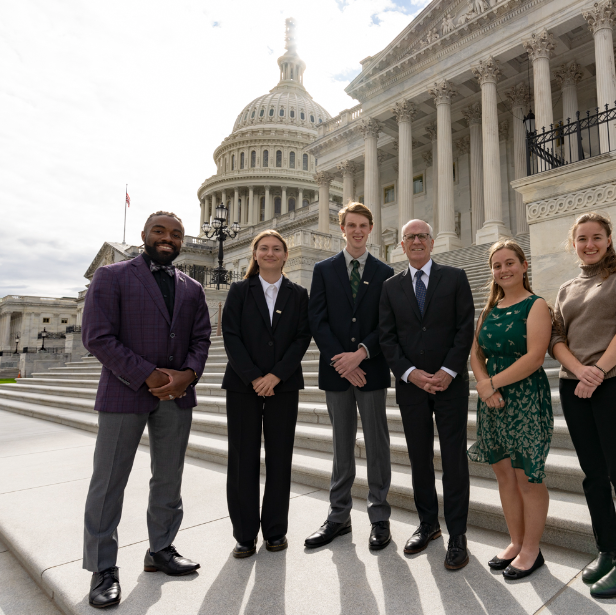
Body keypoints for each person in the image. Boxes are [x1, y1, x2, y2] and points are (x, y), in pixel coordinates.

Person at [81, 211, 211, 609]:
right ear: (144, 235)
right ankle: (103, 567)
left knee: (168, 477)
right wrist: (148, 375)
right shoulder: (113, 276)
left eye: (175, 233)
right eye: (160, 231)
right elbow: (97, 336)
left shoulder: (192, 286)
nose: (167, 238)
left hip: (176, 395)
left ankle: (162, 548)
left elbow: (202, 337)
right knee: (109, 483)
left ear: (183, 241)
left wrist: (188, 374)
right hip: (125, 393)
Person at [549, 211, 616, 599]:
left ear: (608, 239)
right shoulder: (565, 288)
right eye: (581, 239)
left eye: (596, 237)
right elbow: (556, 338)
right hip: (575, 387)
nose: (589, 244)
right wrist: (579, 370)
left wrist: (598, 371)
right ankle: (608, 549)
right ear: (573, 244)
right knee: (593, 475)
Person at [379, 219, 475, 570]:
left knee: (453, 460)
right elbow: (387, 338)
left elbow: (465, 328)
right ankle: (428, 524)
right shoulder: (390, 287)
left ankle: (458, 534)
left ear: (432, 242)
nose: (416, 241)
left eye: (422, 236)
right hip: (412, 388)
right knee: (419, 457)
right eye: (410, 237)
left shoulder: (455, 278)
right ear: (401, 246)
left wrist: (448, 371)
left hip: (450, 385)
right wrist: (410, 374)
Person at [305, 203, 395, 550]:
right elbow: (318, 320)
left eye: (363, 225)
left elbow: (386, 324)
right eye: (351, 225)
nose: (357, 231)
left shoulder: (385, 272)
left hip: (370, 369)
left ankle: (379, 517)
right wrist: (341, 361)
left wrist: (360, 355)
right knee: (341, 446)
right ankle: (338, 516)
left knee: (377, 445)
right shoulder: (323, 270)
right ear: (342, 228)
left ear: (371, 228)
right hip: (336, 372)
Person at [221, 230, 311, 558]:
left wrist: (275, 376)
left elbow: (302, 338)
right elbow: (230, 335)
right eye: (264, 248)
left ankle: (275, 532)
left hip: (283, 386)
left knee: (279, 460)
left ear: (286, 255)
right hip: (243, 386)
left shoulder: (299, 294)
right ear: (255, 254)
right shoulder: (239, 291)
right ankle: (244, 535)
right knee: (242, 460)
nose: (270, 253)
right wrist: (254, 376)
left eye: (276, 249)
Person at [467, 240, 554, 580]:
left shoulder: (536, 306)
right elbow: (475, 352)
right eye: (497, 265)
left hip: (524, 397)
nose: (504, 270)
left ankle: (533, 549)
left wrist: (492, 383)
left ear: (524, 265)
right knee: (503, 474)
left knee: (527, 476)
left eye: (510, 263)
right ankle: (516, 542)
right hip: (492, 400)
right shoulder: (489, 309)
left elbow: (535, 357)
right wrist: (483, 383)